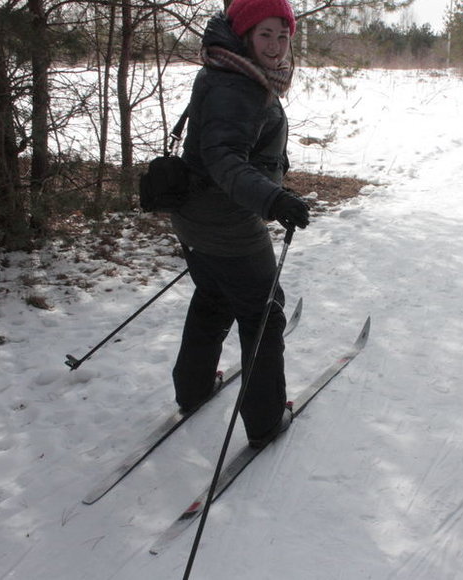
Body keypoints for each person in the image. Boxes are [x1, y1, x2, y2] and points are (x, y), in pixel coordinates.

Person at [170, 0, 310, 449]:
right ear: (246, 34)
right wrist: (274, 199)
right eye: (265, 35)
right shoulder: (239, 85)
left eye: (282, 35)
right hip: (228, 222)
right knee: (263, 313)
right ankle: (267, 420)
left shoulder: (224, 68)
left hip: (195, 218)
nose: (275, 46)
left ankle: (192, 389)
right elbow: (224, 158)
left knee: (213, 296)